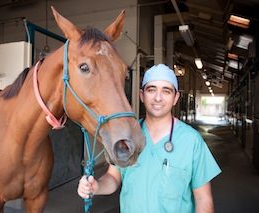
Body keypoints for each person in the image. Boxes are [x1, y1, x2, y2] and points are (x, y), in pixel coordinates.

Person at [77, 64, 221, 213]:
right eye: (151, 90)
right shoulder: (126, 137)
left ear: (175, 98)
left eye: (166, 91)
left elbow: (203, 199)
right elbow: (113, 178)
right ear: (142, 95)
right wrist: (96, 186)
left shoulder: (192, 141)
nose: (158, 98)